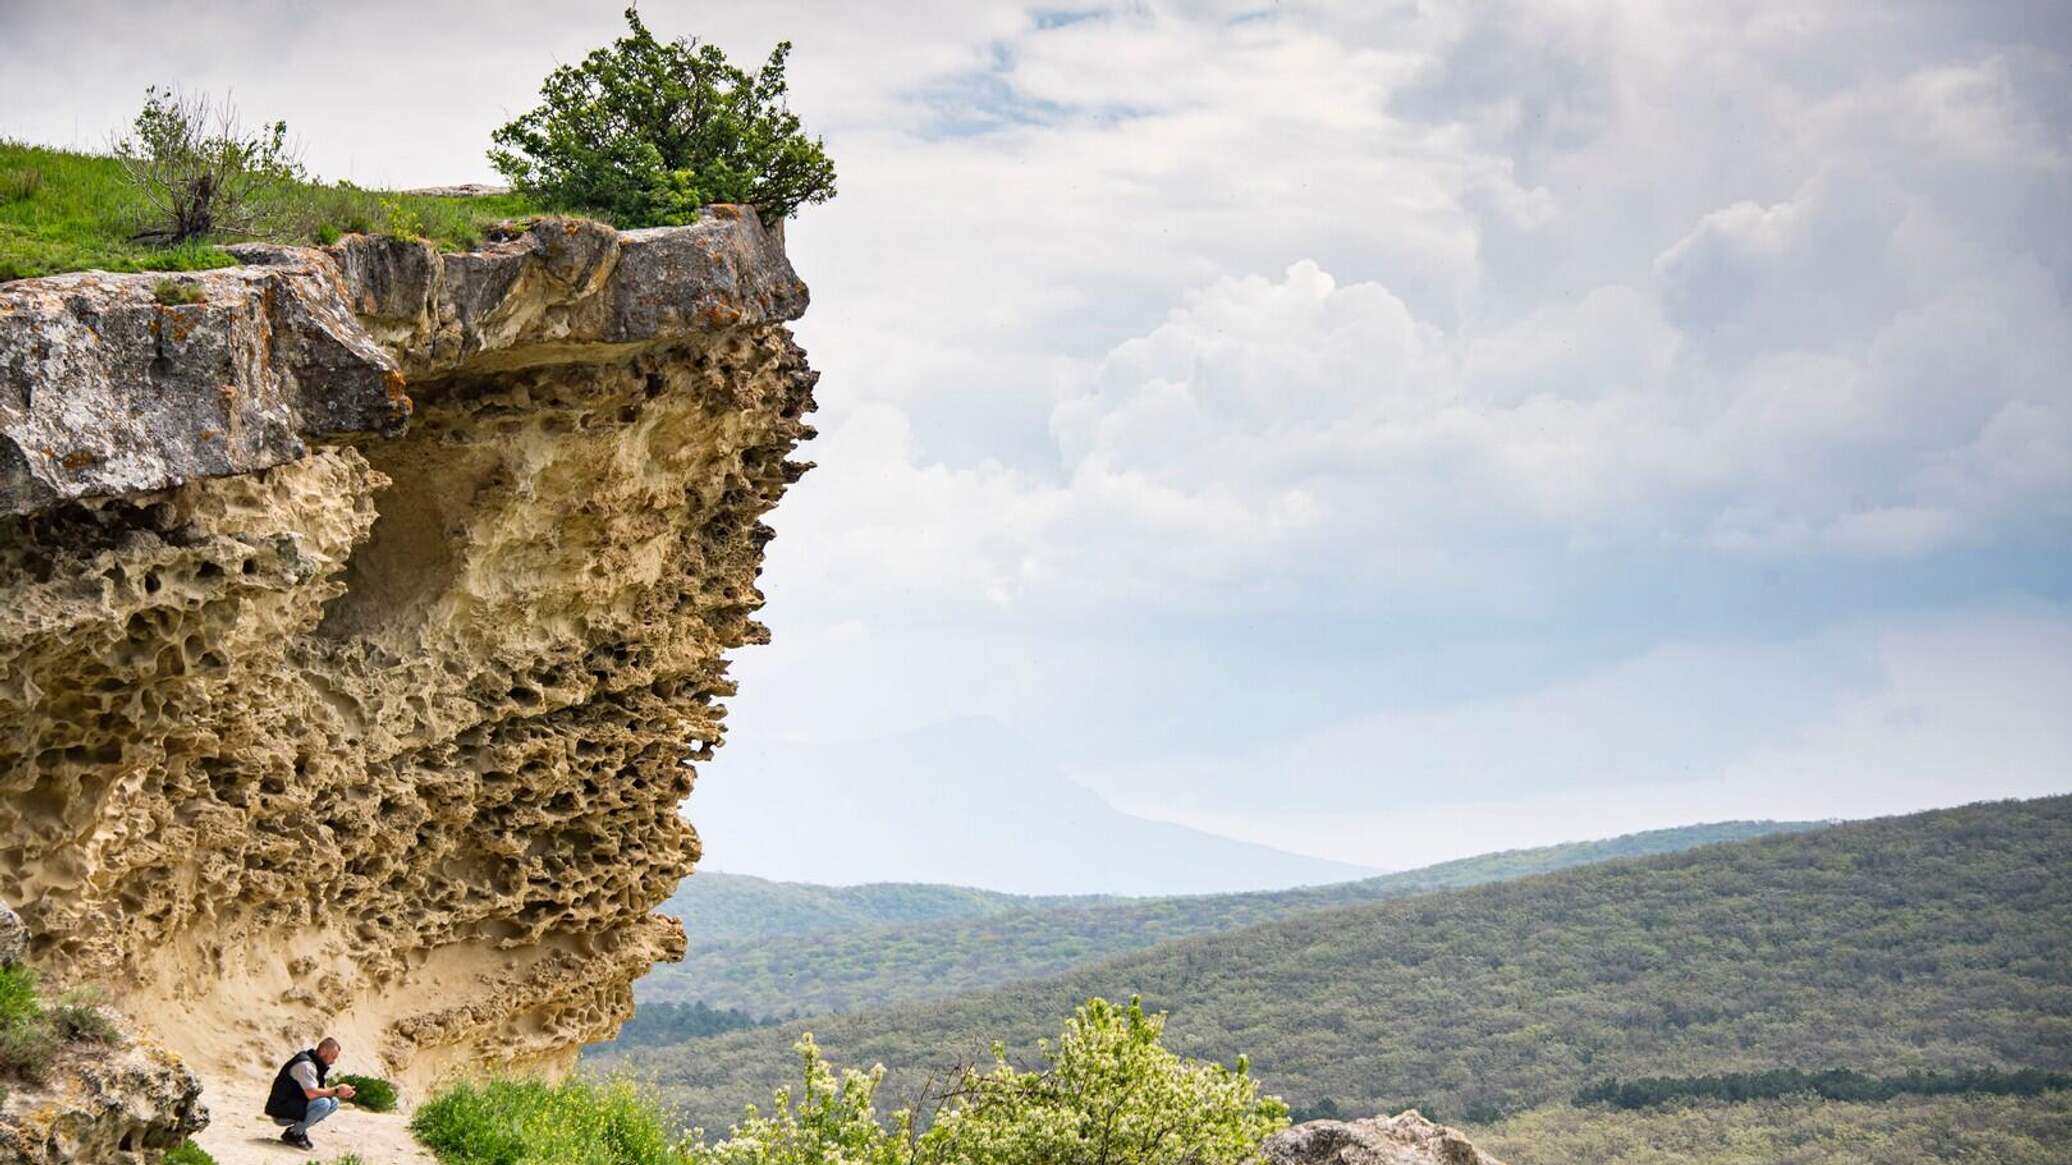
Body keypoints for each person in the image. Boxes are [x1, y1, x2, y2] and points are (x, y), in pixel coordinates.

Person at [264, 1037, 356, 1151]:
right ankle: (294, 1134)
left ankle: (297, 1131)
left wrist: (339, 1093)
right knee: (323, 1103)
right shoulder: (305, 1065)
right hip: (281, 1111)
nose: (333, 1061)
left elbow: (319, 1091)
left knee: (333, 1102)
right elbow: (311, 1094)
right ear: (323, 1052)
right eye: (333, 1057)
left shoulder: (315, 1064)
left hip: (295, 1105)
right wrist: (336, 1090)